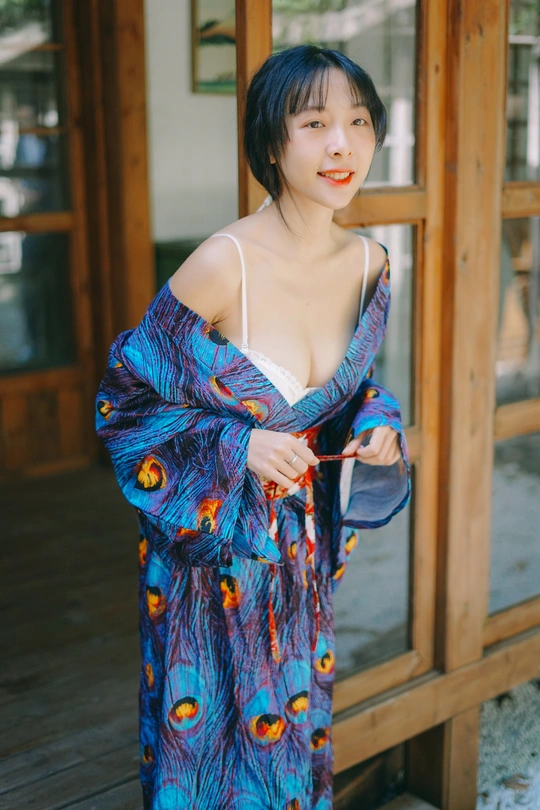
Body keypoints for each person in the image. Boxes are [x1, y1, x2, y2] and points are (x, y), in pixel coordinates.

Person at [96, 43, 411, 810]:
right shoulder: (222, 263)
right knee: (208, 750)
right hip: (210, 556)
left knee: (291, 731)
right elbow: (124, 400)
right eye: (315, 123)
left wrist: (377, 423)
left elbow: (346, 393)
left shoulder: (371, 264)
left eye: (359, 121)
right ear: (272, 143)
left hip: (297, 554)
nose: (343, 145)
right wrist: (237, 445)